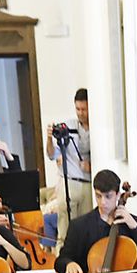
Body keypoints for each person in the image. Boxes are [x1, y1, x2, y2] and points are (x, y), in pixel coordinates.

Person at [47, 87, 92, 218]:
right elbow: (52, 155)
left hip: (88, 183)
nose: (80, 113)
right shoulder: (68, 125)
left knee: (87, 230)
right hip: (69, 182)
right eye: (78, 109)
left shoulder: (97, 127)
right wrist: (49, 138)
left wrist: (91, 166)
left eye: (84, 109)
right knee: (65, 230)